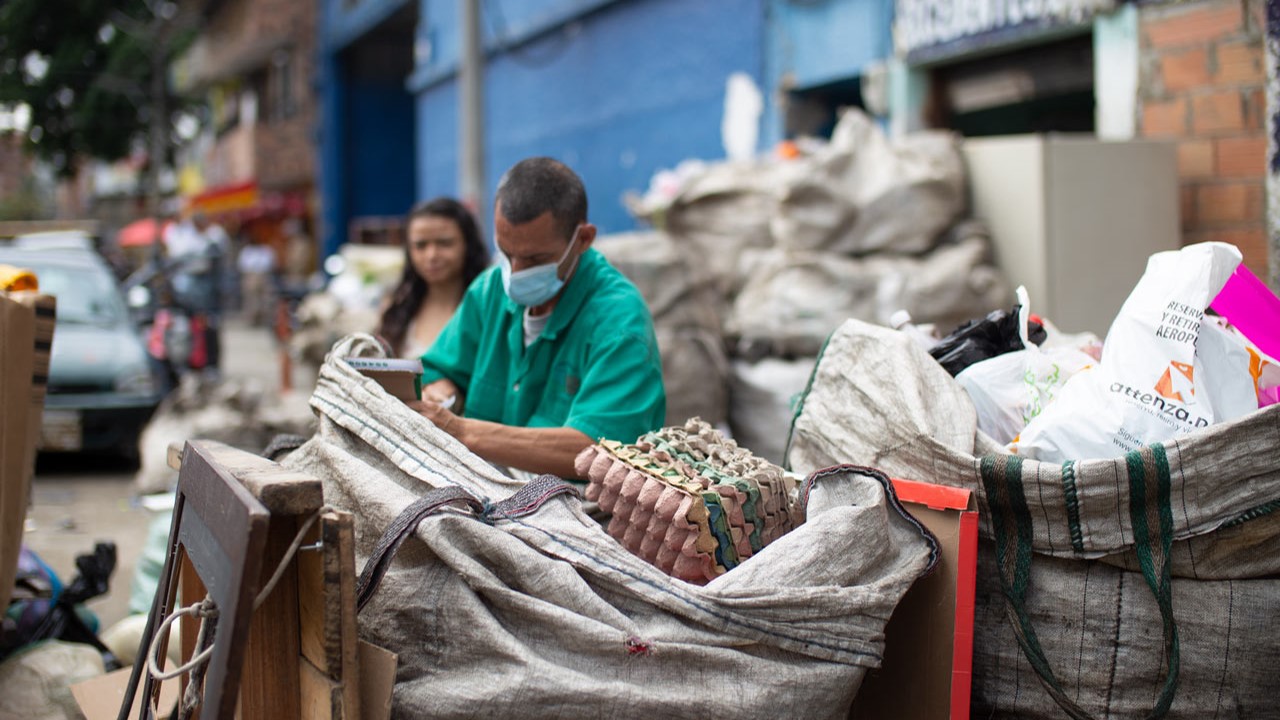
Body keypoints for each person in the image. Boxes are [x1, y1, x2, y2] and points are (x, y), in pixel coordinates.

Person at [414, 157, 666, 480]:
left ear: (583, 239)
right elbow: (436, 369)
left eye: (535, 259)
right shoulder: (489, 292)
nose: (516, 273)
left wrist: (462, 431)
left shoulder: (619, 322)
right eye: (506, 254)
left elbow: (597, 450)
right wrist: (442, 392)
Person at [377, 198, 490, 358]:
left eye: (444, 243)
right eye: (420, 245)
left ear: (468, 245)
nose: (432, 255)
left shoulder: (487, 306)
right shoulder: (396, 306)